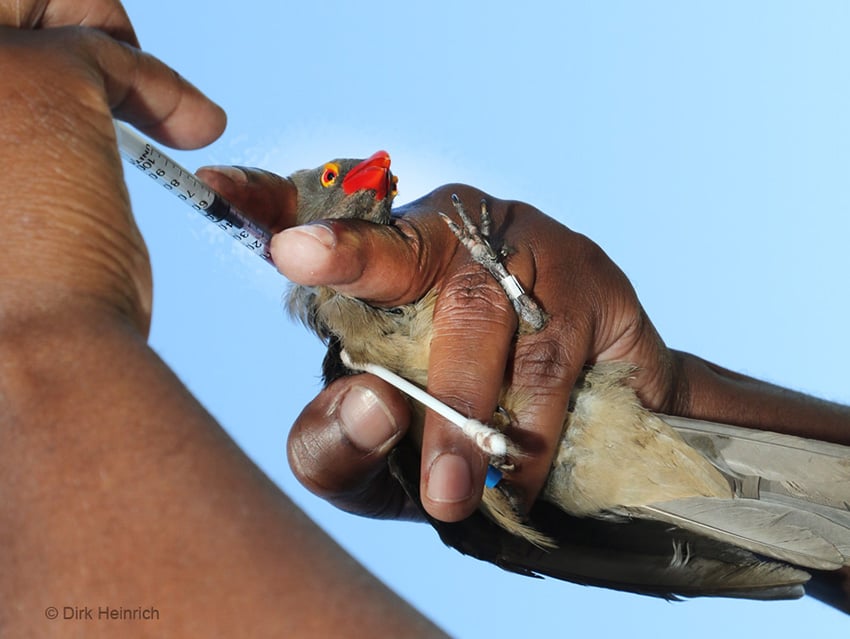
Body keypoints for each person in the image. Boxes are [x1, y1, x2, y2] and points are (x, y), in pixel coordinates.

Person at [1, 4, 846, 637]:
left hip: (638, 443)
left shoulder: (407, 275)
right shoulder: (352, 356)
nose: (372, 175)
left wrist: (47, 333)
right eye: (339, 174)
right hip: (619, 477)